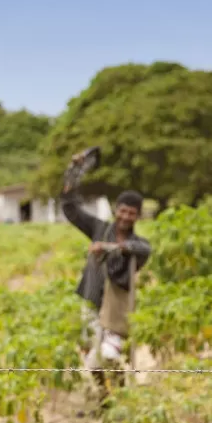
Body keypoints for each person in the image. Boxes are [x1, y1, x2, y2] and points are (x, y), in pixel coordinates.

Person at [60, 151, 151, 408]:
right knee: (90, 355)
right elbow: (71, 208)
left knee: (108, 356)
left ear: (138, 216)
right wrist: (73, 173)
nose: (125, 217)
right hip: (91, 299)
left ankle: (120, 395)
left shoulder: (139, 244)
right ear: (116, 210)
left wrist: (109, 249)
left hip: (115, 310)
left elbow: (142, 250)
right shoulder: (99, 228)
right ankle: (105, 399)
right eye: (122, 211)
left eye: (131, 214)